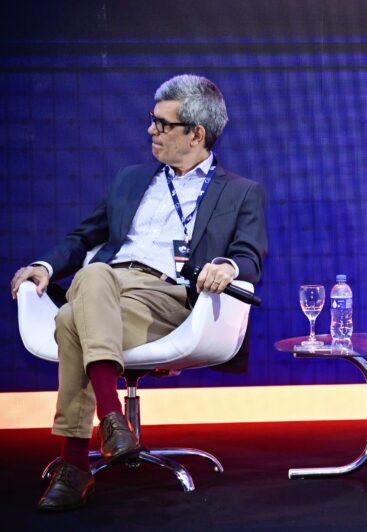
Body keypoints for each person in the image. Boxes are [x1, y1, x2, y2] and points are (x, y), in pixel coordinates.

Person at [10, 74, 268, 510]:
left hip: (167, 299)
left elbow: (250, 257)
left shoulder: (241, 192)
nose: (151, 130)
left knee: (72, 316)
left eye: (163, 124)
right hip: (107, 289)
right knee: (92, 280)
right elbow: (83, 237)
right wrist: (45, 266)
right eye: (152, 120)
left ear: (196, 134)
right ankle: (111, 423)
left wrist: (227, 266)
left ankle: (76, 463)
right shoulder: (130, 180)